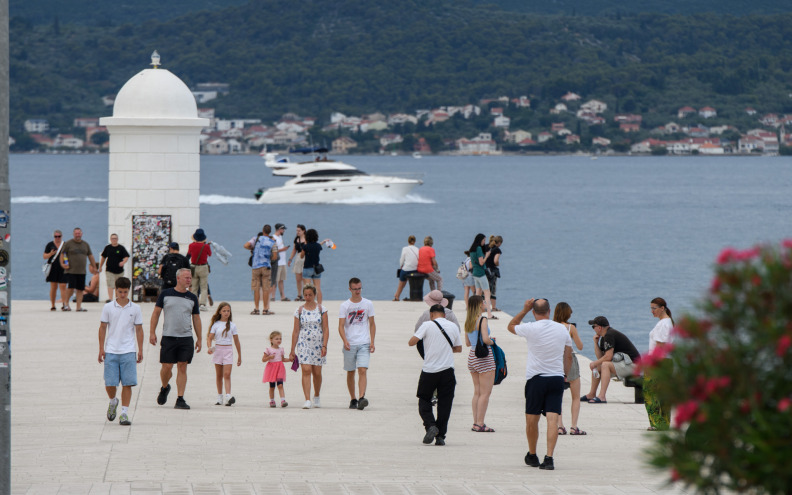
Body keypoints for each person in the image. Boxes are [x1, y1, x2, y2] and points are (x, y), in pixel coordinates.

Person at [508, 298, 574, 471]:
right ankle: (549, 458)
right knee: (553, 419)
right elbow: (568, 355)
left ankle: (532, 455)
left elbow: (511, 326)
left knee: (532, 419)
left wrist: (524, 310)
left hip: (536, 379)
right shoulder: (562, 329)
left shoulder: (530, 327)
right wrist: (565, 375)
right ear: (549, 311)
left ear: (533, 312)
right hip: (556, 378)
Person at [408, 304, 462, 445]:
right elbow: (458, 348)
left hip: (430, 370)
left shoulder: (427, 325)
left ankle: (431, 425)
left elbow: (411, 342)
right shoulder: (453, 326)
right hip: (447, 370)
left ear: (431, 314)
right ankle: (440, 437)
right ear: (444, 315)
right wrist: (445, 348)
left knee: (424, 399)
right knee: (445, 404)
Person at [149, 268, 202, 410]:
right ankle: (165, 387)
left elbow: (196, 318)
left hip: (186, 337)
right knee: (166, 367)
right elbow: (156, 313)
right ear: (178, 278)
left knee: (182, 366)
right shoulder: (165, 294)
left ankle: (180, 398)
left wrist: (199, 338)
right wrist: (152, 332)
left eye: (190, 278)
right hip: (169, 337)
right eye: (186, 277)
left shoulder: (192, 297)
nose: (189, 280)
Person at [98, 277, 143, 426]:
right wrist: (101, 348)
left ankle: (124, 413)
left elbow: (139, 329)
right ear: (116, 290)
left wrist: (140, 349)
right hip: (111, 350)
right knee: (110, 383)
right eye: (120, 292)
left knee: (127, 384)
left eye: (125, 292)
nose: (123, 295)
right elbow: (103, 327)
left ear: (128, 290)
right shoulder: (108, 307)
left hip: (128, 350)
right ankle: (113, 401)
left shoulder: (135, 308)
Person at [583, 316, 641, 404]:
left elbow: (608, 357)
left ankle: (602, 396)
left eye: (593, 326)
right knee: (598, 367)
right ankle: (592, 394)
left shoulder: (609, 335)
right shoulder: (604, 337)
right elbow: (601, 358)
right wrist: (595, 343)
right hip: (625, 364)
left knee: (605, 365)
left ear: (599, 327)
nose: (593, 329)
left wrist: (594, 363)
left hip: (633, 365)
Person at [338, 277, 376, 410]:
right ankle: (353, 398)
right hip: (350, 343)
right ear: (350, 289)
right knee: (350, 372)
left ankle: (361, 398)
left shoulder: (368, 304)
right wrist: (345, 340)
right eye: (355, 289)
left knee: (362, 369)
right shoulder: (344, 306)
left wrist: (372, 341)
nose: (357, 291)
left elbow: (372, 324)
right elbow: (341, 326)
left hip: (364, 342)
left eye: (359, 288)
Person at [290, 284, 329, 409]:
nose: (307, 297)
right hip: (303, 343)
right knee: (306, 370)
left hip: (318, 344)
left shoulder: (322, 309)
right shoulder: (299, 311)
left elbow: (326, 328)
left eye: (310, 295)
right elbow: (296, 331)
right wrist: (292, 349)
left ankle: (316, 396)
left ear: (314, 295)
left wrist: (324, 345)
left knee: (317, 373)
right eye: (305, 295)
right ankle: (307, 399)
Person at [553, 302, 586, 435]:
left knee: (558, 396)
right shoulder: (570, 327)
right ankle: (574, 426)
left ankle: (560, 426)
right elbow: (580, 346)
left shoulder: (552, 326)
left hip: (556, 361)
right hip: (569, 359)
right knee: (576, 397)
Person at [464, 294, 496, 432]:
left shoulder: (468, 321)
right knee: (485, 393)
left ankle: (475, 422)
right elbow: (485, 339)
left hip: (472, 356)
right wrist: (492, 341)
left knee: (477, 392)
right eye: (483, 302)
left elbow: (467, 343)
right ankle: (480, 423)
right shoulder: (482, 319)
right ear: (479, 305)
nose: (485, 304)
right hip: (484, 358)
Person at [645, 297, 674, 431]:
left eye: (654, 308)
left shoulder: (663, 324)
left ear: (662, 308)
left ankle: (657, 423)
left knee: (650, 394)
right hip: (667, 361)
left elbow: (660, 346)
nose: (652, 311)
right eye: (651, 308)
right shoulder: (668, 323)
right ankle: (664, 423)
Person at [206, 302, 241, 406]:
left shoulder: (233, 325)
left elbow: (236, 341)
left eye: (228, 311)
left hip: (228, 351)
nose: (226, 313)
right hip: (218, 350)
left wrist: (239, 355)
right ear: (220, 312)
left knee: (227, 374)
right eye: (224, 311)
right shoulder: (216, 324)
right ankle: (219, 397)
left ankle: (228, 396)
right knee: (219, 375)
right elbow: (209, 338)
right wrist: (209, 347)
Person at [60, 227, 98, 312]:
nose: (77, 235)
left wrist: (94, 267)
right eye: (76, 233)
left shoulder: (85, 244)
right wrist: (62, 264)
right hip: (71, 270)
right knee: (71, 288)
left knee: (80, 289)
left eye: (79, 233)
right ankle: (66, 304)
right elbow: (62, 254)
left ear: (81, 234)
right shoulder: (68, 243)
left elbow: (90, 256)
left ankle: (78, 307)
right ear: (73, 234)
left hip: (82, 271)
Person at [243, 224, 275, 315]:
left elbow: (245, 245)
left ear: (263, 230)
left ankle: (256, 309)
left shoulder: (256, 239)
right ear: (270, 232)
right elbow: (275, 257)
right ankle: (265, 309)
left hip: (256, 266)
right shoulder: (272, 241)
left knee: (256, 288)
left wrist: (253, 249)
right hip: (266, 267)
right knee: (266, 289)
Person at [262, 330, 294, 408]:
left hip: (280, 369)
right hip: (272, 369)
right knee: (272, 386)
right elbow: (263, 359)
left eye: (280, 339)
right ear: (271, 340)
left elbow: (282, 359)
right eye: (276, 339)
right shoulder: (268, 350)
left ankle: (283, 400)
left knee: (280, 385)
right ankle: (272, 400)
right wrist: (269, 357)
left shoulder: (281, 349)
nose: (279, 340)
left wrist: (290, 360)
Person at [468, 233, 494, 319]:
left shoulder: (472, 249)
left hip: (475, 273)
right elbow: (481, 262)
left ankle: (477, 313)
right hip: (481, 273)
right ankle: (489, 314)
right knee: (487, 293)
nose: (484, 242)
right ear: (480, 240)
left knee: (478, 294)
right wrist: (486, 256)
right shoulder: (478, 248)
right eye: (483, 240)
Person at [99, 233, 130, 303]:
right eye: (113, 238)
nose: (114, 240)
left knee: (118, 285)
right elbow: (103, 257)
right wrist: (100, 266)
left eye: (115, 238)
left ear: (117, 239)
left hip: (119, 271)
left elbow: (126, 257)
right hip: (109, 270)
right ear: (110, 239)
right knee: (110, 284)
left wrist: (123, 262)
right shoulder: (107, 248)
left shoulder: (121, 248)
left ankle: (117, 298)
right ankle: (110, 299)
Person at [187, 228, 212, 311]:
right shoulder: (206, 246)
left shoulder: (191, 245)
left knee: (194, 287)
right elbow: (210, 254)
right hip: (203, 267)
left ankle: (194, 304)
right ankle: (202, 304)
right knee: (204, 287)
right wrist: (207, 245)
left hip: (193, 267)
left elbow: (188, 256)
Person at [44, 229, 68, 311]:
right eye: (56, 236)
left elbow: (68, 255)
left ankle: (64, 304)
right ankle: (53, 305)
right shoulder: (50, 245)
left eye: (59, 236)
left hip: (63, 268)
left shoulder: (65, 245)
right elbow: (44, 256)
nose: (57, 238)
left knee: (63, 286)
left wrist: (67, 264)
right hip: (53, 268)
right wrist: (50, 254)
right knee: (53, 287)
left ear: (61, 236)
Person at [393, 235, 420, 301]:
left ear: (408, 241)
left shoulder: (405, 249)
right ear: (415, 241)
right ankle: (412, 296)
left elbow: (402, 260)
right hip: (415, 270)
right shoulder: (417, 249)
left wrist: (401, 266)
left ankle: (397, 296)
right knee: (410, 281)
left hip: (406, 270)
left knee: (401, 282)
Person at [301, 229, 324, 304]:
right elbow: (318, 246)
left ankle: (309, 304)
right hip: (316, 268)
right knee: (318, 288)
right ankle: (319, 305)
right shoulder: (318, 246)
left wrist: (305, 244)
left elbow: (301, 256)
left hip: (307, 268)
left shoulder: (305, 246)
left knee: (308, 288)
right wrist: (323, 242)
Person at [270, 223, 290, 301]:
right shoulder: (273, 237)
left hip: (282, 262)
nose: (284, 231)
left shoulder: (280, 237)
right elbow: (273, 250)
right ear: (279, 229)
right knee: (274, 280)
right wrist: (283, 249)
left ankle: (283, 297)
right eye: (283, 229)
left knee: (281, 280)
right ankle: (272, 297)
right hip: (277, 263)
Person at [288, 224, 307, 301]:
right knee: (298, 279)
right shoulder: (296, 239)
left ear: (303, 231)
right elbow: (294, 250)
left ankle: (306, 295)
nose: (297, 232)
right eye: (297, 230)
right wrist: (290, 259)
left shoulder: (307, 239)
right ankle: (299, 295)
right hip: (298, 258)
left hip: (305, 258)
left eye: (299, 231)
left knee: (305, 278)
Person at [484, 236, 502, 312]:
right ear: (499, 243)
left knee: (484, 288)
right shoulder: (497, 250)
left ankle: (483, 306)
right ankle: (493, 307)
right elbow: (495, 260)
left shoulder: (485, 246)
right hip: (492, 271)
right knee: (492, 289)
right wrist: (498, 264)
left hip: (484, 270)